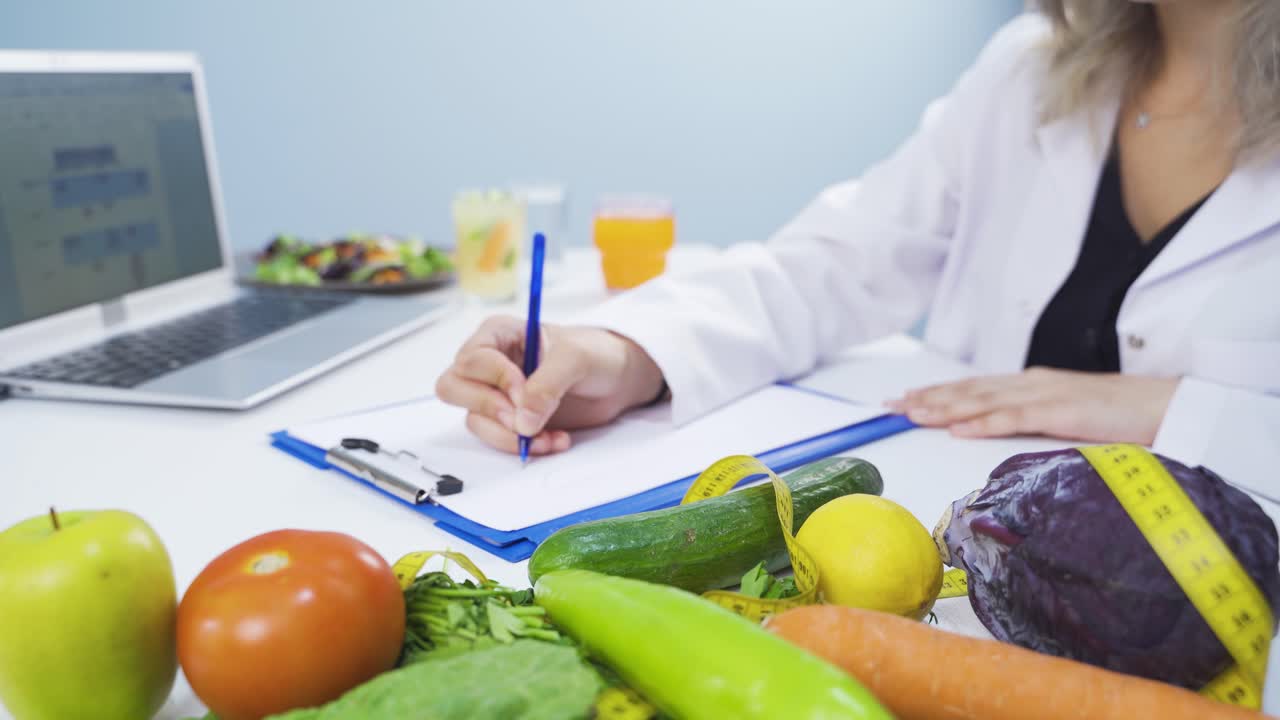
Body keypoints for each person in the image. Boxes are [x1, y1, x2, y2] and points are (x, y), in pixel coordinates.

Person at [435, 0, 1280, 463]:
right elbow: (832, 265)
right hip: (962, 570)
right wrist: (626, 357)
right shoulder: (1025, 71)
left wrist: (1173, 411)